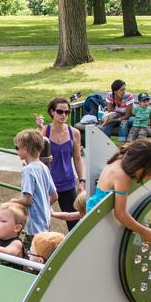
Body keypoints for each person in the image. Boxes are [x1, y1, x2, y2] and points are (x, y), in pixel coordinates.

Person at [85, 138, 151, 247]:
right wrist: (143, 231)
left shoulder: (121, 159)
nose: (150, 176)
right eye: (149, 172)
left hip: (96, 213)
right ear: (139, 165)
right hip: (99, 222)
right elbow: (120, 214)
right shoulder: (122, 177)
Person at [35, 96, 84, 226]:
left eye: (67, 112)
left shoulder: (74, 133)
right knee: (40, 219)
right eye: (60, 111)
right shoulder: (45, 130)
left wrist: (82, 180)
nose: (64, 115)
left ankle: (75, 246)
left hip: (67, 182)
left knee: (74, 222)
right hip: (47, 183)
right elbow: (33, 152)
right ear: (52, 112)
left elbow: (77, 158)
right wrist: (39, 130)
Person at [12, 128, 58, 238]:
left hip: (33, 229)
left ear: (25, 150)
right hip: (45, 224)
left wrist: (14, 201)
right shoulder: (43, 167)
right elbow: (55, 196)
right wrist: (44, 207)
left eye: (17, 148)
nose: (16, 151)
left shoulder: (28, 170)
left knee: (30, 254)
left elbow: (27, 200)